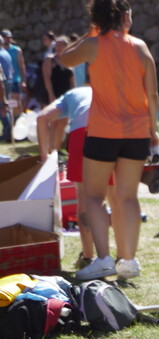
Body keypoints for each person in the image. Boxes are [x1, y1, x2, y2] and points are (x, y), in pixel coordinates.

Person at [59, 0, 158, 281]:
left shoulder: (92, 45)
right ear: (124, 16)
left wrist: (91, 33)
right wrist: (153, 133)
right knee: (128, 197)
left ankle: (103, 258)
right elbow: (151, 94)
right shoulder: (141, 47)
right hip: (138, 132)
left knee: (92, 196)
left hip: (103, 131)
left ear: (96, 18)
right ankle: (128, 261)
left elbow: (65, 59)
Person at [35, 84, 125, 270]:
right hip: (112, 132)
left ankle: (89, 257)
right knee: (115, 200)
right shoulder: (105, 88)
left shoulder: (70, 95)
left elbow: (42, 118)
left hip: (82, 135)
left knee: (85, 198)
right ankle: (124, 257)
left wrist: (44, 155)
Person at [1, 29, 27, 117]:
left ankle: (16, 120)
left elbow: (22, 66)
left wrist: (23, 81)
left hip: (15, 79)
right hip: (4, 80)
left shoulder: (16, 50)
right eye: (5, 38)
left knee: (15, 101)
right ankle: (9, 121)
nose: (7, 40)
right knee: (5, 101)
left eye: (9, 38)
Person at [43, 36, 75, 105]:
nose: (58, 47)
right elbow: (47, 78)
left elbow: (72, 81)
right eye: (57, 45)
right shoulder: (50, 59)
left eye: (61, 45)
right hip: (54, 94)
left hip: (67, 95)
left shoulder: (70, 60)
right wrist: (51, 95)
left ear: (66, 46)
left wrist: (74, 95)